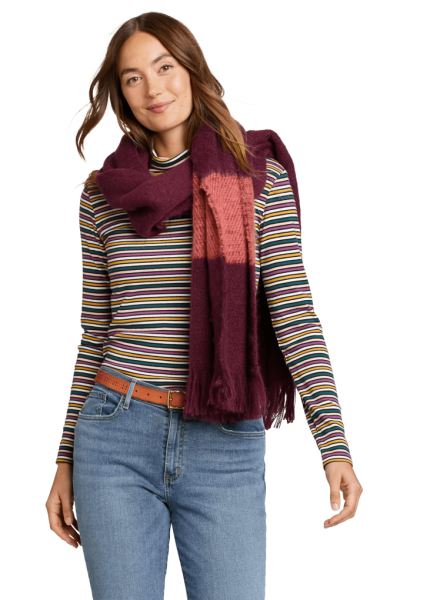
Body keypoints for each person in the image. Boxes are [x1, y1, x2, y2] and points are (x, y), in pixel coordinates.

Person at [46, 11, 363, 600]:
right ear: (120, 94)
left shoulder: (257, 177)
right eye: (133, 77)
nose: (154, 88)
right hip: (115, 436)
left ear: (191, 68)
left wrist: (334, 446)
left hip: (224, 441)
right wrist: (64, 459)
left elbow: (293, 312)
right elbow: (96, 331)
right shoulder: (101, 197)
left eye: (164, 67)